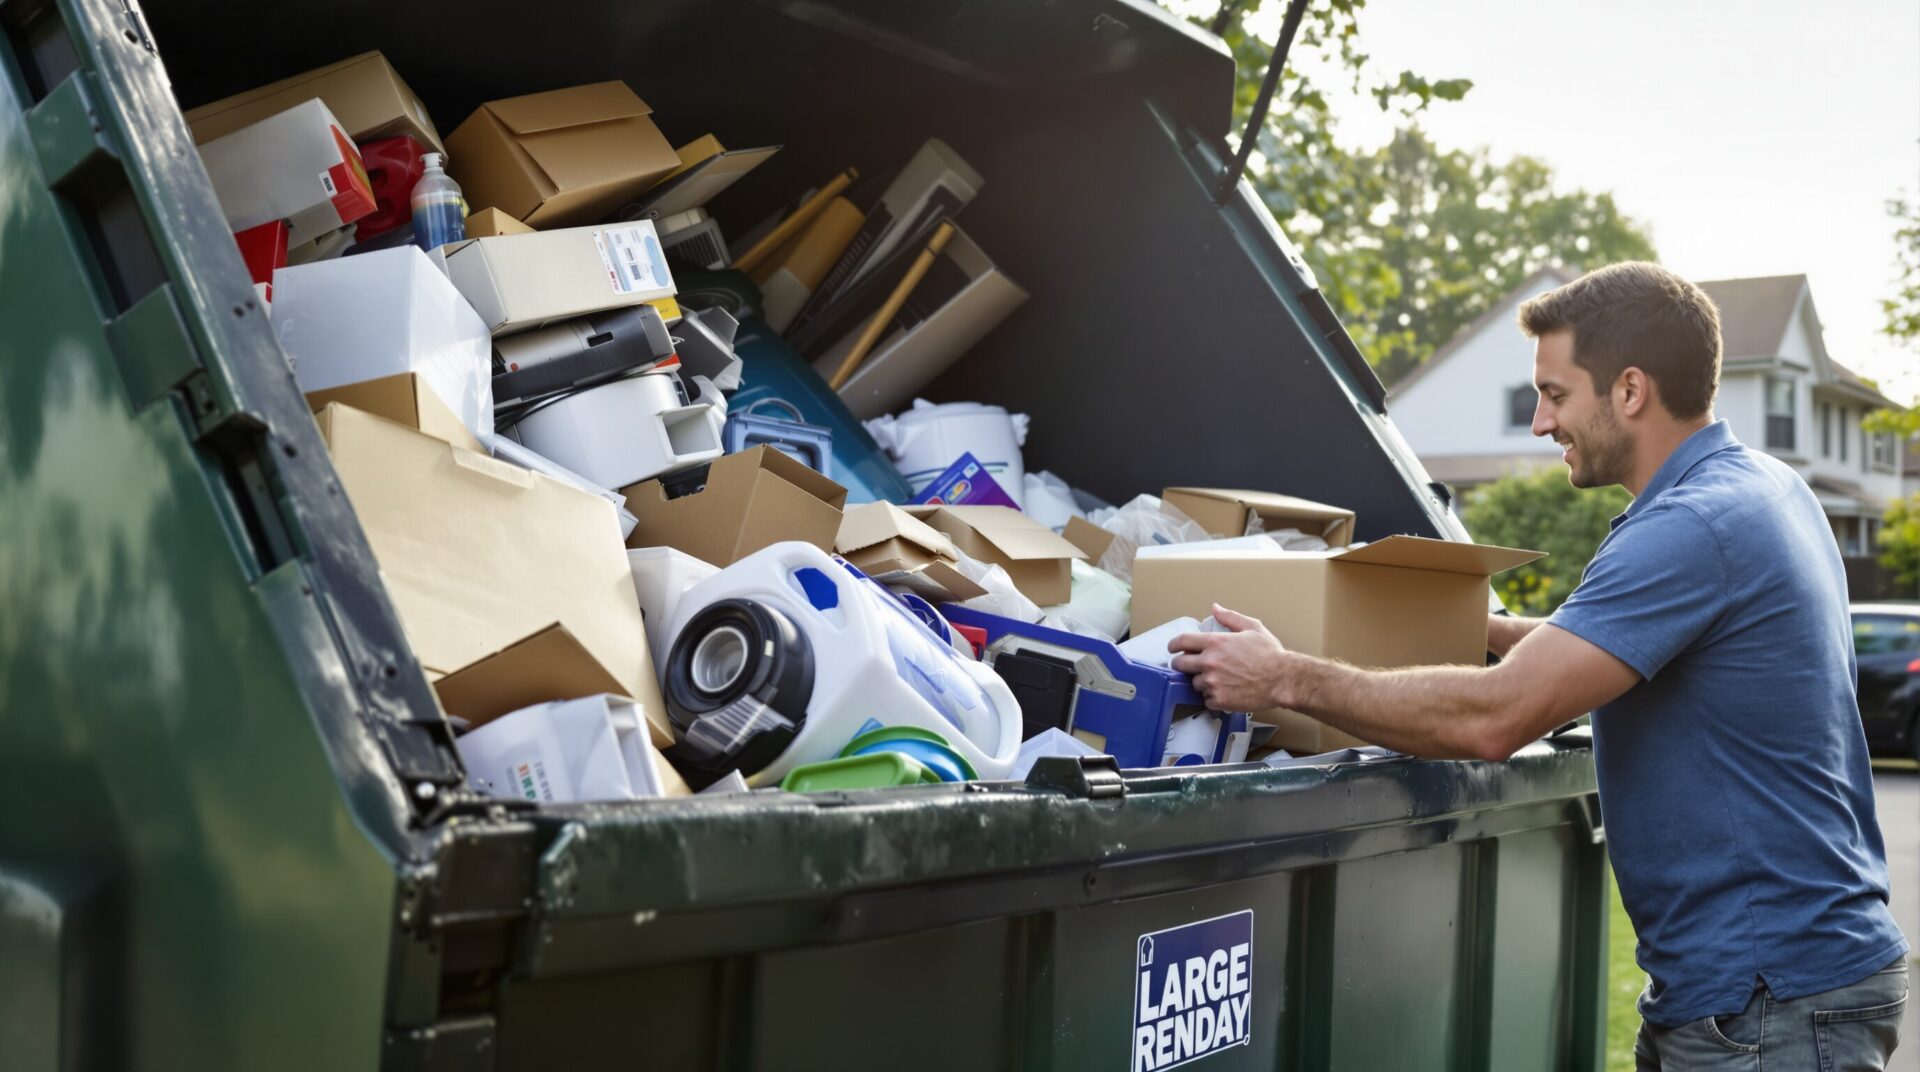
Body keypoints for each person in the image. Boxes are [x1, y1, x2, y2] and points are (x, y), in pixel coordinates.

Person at [1171, 262, 1909, 1069]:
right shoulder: (1764, 488)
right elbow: (1597, 652)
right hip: (1761, 984)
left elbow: (1498, 718)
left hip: (1769, 995)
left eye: (1555, 394)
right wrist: (1448, 619)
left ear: (1629, 390)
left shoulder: (1688, 527)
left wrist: (1283, 678)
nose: (1538, 422)